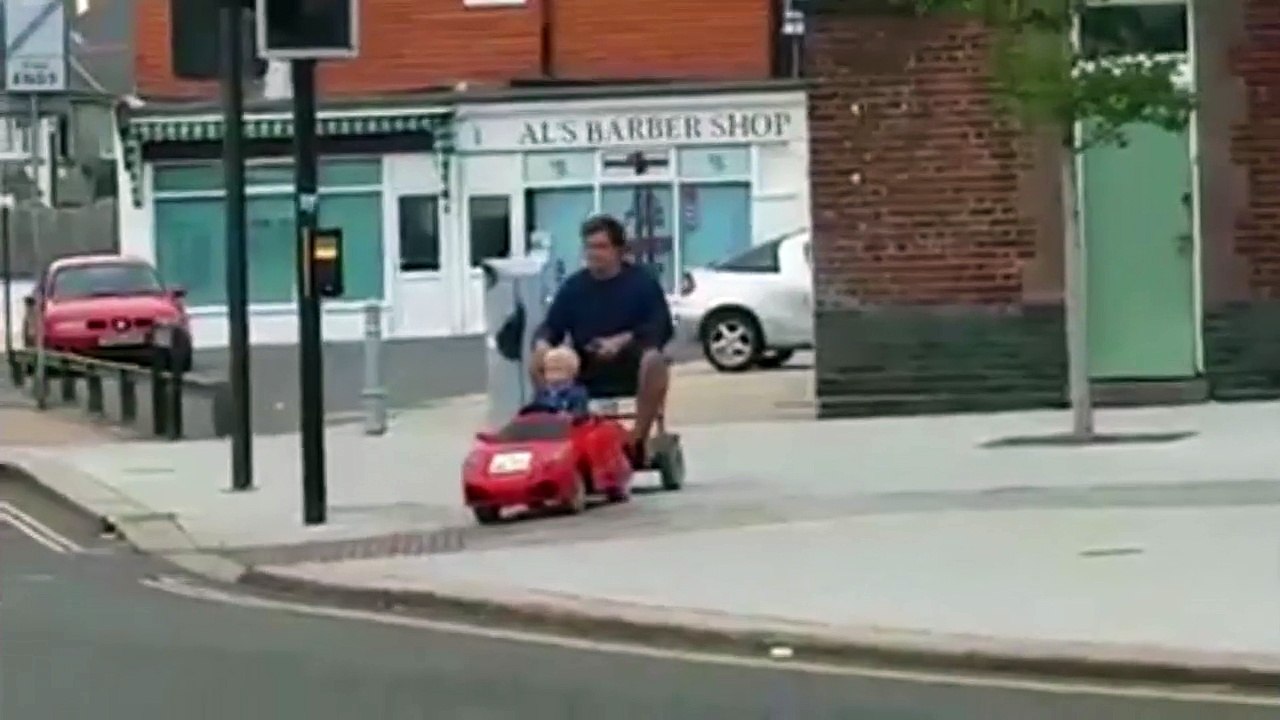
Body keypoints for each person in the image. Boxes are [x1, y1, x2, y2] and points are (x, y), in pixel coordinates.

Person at [532, 214, 673, 461]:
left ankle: (636, 441)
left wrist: (623, 340)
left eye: (601, 247)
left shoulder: (642, 283)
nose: (593, 253)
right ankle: (557, 433)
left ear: (618, 250)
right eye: (589, 247)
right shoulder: (574, 288)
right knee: (539, 358)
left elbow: (661, 327)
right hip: (586, 364)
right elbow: (551, 327)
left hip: (631, 363)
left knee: (655, 361)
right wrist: (543, 344)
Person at [526, 345, 590, 416]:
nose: (552, 375)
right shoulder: (541, 393)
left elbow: (579, 415)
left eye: (557, 369)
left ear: (571, 371)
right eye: (549, 369)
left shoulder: (577, 392)